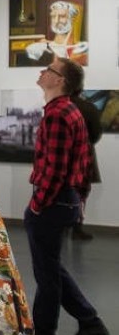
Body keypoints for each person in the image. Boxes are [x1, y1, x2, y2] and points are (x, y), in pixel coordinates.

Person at [25, 57, 110, 335]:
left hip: (52, 203)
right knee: (50, 268)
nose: (42, 72)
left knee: (47, 272)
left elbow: (56, 170)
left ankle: (46, 334)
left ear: (59, 80)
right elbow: (82, 164)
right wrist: (79, 201)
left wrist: (37, 205)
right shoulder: (66, 111)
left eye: (49, 70)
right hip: (63, 201)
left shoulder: (58, 114)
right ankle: (88, 322)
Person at [70, 90, 102, 240]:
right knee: (81, 193)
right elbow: (96, 134)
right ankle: (77, 227)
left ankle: (61, 226)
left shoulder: (57, 107)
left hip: (61, 155)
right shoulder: (88, 107)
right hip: (83, 155)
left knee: (59, 190)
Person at [24, 0, 89, 65]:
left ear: (72, 19)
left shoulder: (82, 49)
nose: (56, 21)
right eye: (53, 16)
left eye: (62, 16)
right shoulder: (39, 48)